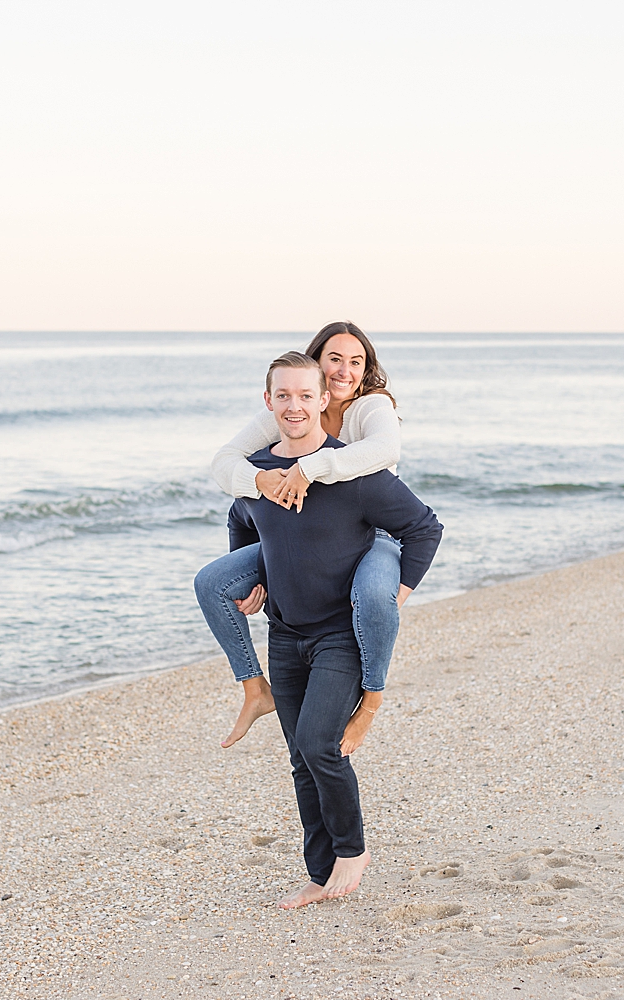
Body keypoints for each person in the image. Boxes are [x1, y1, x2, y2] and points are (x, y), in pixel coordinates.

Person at [221, 351, 442, 908]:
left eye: (305, 396)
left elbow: (424, 527)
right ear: (268, 403)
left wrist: (398, 594)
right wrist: (253, 578)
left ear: (325, 401)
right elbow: (241, 519)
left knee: (321, 745)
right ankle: (320, 873)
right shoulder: (259, 475)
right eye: (283, 397)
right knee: (300, 755)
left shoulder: (355, 472)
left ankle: (353, 849)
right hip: (285, 635)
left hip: (340, 636)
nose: (294, 406)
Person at [195, 322, 404, 749]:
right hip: (300, 535)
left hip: (370, 535)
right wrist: (258, 480)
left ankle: (370, 703)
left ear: (365, 372)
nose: (344, 370)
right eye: (334, 359)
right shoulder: (293, 405)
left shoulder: (370, 407)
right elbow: (223, 463)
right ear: (317, 362)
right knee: (212, 583)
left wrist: (311, 467)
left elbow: (386, 450)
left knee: (372, 598)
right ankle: (255, 690)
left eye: (356, 362)